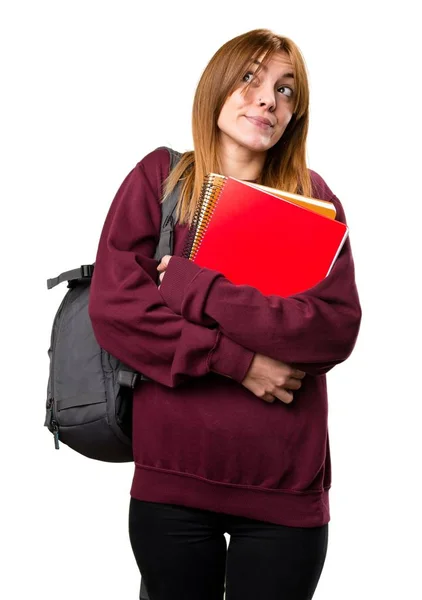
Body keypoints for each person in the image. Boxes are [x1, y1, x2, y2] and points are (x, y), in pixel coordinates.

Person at [88, 28, 361, 600]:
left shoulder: (316, 203)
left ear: (295, 115)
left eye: (286, 91)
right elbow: (118, 310)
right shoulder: (159, 181)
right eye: (250, 79)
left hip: (285, 490)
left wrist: (195, 289)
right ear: (216, 88)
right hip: (173, 482)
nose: (268, 99)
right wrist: (240, 362)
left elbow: (329, 331)